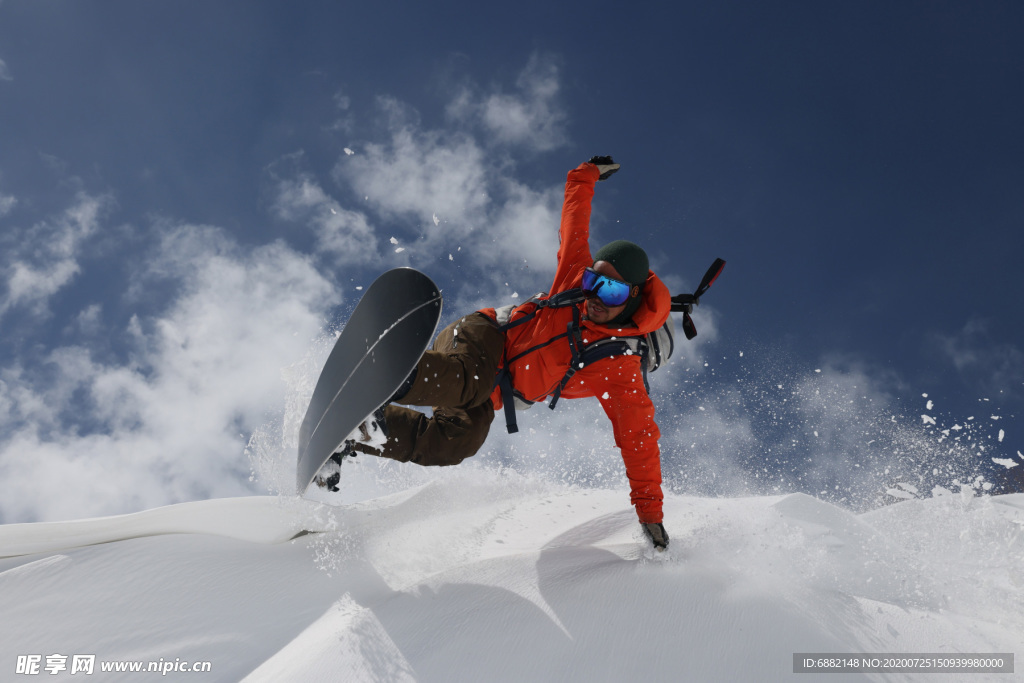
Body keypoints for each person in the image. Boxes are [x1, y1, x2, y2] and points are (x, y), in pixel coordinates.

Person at [331, 156, 672, 549]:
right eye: (594, 281)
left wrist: (650, 515)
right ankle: (382, 370)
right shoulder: (573, 280)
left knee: (458, 441)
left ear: (632, 298)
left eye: (611, 291)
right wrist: (586, 174)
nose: (594, 296)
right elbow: (574, 219)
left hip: (488, 387)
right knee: (471, 380)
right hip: (482, 336)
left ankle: (357, 429)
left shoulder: (620, 369)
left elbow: (639, 440)